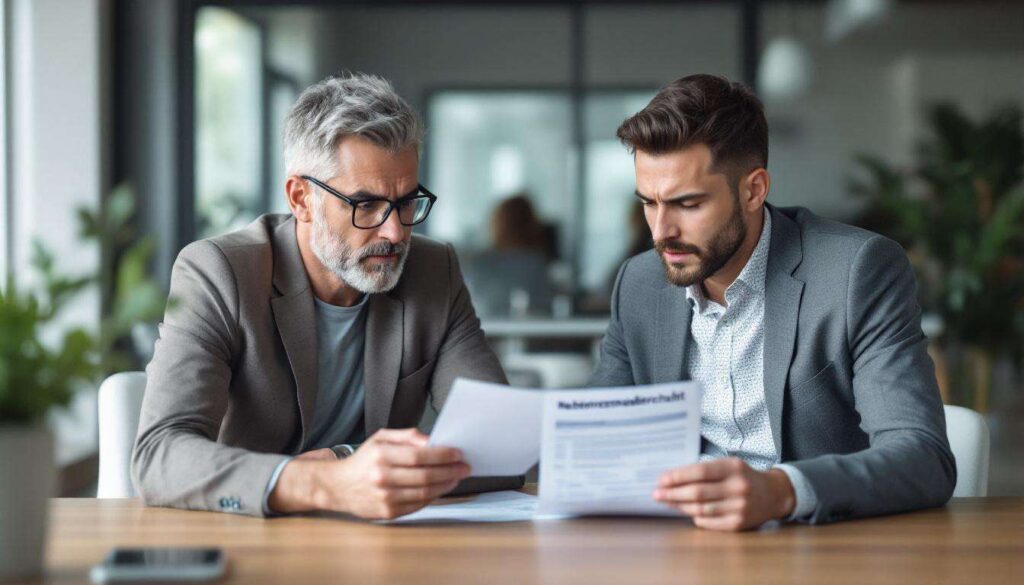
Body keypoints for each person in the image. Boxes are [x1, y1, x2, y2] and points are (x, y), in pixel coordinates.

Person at [133, 73, 520, 519]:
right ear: (301, 199)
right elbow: (159, 457)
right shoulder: (220, 272)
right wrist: (324, 483)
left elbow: (502, 445)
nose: (395, 233)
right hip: (252, 534)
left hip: (379, 542)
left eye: (406, 203)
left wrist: (346, 459)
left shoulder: (434, 272)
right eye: (366, 205)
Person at [590, 74, 955, 531]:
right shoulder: (640, 283)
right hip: (679, 542)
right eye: (649, 202)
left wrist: (780, 491)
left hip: (816, 542)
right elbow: (592, 440)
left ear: (753, 190)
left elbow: (923, 458)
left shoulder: (856, 271)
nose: (661, 232)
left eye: (688, 204)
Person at [463, 193, 555, 316]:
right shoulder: (536, 262)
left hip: (486, 323)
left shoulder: (478, 261)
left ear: (497, 223)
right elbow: (545, 306)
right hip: (529, 325)